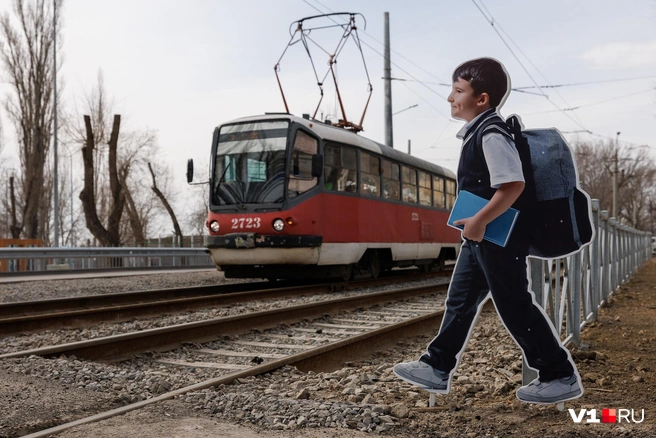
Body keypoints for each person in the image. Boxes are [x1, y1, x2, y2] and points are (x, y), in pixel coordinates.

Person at [393, 57, 583, 405]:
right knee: (461, 300)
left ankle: (558, 373)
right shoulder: (479, 132)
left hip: (499, 234)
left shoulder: (492, 132)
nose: (451, 97)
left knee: (513, 304)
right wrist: (476, 226)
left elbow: (512, 184)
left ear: (481, 99)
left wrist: (479, 220)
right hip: (482, 236)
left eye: (458, 90)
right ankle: (436, 367)